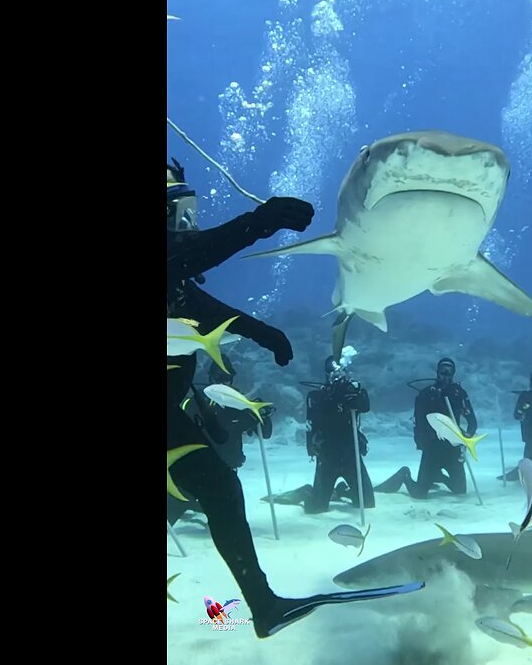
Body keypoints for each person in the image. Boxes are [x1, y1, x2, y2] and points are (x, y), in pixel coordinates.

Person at [167, 160, 418, 636]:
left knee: (220, 487)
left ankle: (263, 605)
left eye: (189, 213)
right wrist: (256, 225)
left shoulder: (174, 286)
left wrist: (264, 332)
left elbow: (203, 306)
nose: (187, 225)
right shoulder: (175, 264)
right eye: (176, 215)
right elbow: (186, 258)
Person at [166, 354, 274, 524]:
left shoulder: (240, 405)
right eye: (220, 378)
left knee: (230, 523)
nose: (224, 383)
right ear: (210, 378)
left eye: (228, 378)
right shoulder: (194, 403)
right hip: (195, 472)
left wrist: (260, 415)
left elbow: (265, 433)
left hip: (226, 473)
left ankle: (203, 507)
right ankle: (195, 506)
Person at [374, 357, 477, 499]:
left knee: (459, 490)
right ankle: (405, 475)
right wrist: (421, 443)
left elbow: (472, 422)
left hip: (453, 448)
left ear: (453, 373)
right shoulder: (427, 394)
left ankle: (437, 476)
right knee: (419, 494)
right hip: (432, 449)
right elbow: (418, 422)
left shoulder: (459, 394)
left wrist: (466, 438)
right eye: (443, 371)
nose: (445, 375)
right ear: (437, 372)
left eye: (449, 372)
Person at [302, 355, 374, 514]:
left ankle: (342, 491)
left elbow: (365, 406)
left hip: (351, 452)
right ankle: (308, 492)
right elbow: (317, 419)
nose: (338, 376)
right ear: (326, 375)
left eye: (342, 372)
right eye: (333, 372)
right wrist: (334, 396)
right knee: (316, 508)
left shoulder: (353, 392)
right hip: (328, 454)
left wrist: (353, 393)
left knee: (367, 502)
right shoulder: (316, 396)